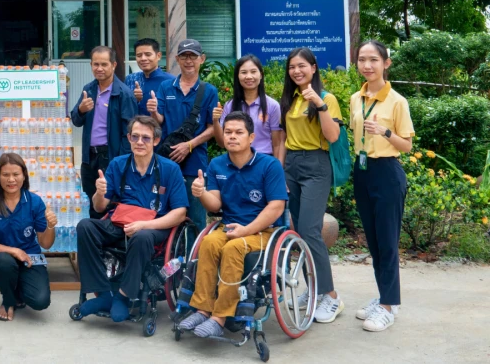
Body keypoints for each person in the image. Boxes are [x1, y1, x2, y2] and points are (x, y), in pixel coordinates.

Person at [177, 111, 288, 338]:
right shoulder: (218, 164)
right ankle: (202, 308)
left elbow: (276, 207)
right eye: (228, 132)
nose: (232, 137)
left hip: (263, 230)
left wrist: (246, 231)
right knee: (208, 242)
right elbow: (215, 205)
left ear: (251, 138)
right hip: (228, 225)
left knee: (233, 247)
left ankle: (220, 317)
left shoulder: (269, 165)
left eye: (239, 132)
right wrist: (201, 193)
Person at [76, 116, 188, 322]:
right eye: (135, 137)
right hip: (121, 220)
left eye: (146, 138)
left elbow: (180, 213)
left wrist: (145, 225)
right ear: (128, 138)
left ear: (156, 140)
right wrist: (99, 193)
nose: (139, 142)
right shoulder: (118, 164)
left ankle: (123, 296)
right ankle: (102, 294)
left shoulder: (170, 169)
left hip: (155, 225)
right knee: (85, 226)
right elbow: (99, 207)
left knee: (142, 237)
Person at [350, 40, 414, 332]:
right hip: (362, 171)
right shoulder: (355, 98)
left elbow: (408, 146)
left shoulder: (397, 101)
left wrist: (385, 131)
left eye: (373, 59)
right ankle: (384, 296)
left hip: (387, 171)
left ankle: (389, 306)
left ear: (386, 63)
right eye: (363, 59)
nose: (367, 65)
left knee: (387, 241)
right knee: (374, 241)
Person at [277, 47, 344, 323]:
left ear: (314, 68)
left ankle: (331, 296)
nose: (297, 71)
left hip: (317, 165)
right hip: (292, 164)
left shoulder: (327, 97)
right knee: (299, 231)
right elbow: (282, 137)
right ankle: (312, 289)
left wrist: (320, 104)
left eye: (302, 66)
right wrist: (280, 169)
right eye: (292, 67)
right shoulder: (290, 99)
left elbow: (333, 135)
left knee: (310, 230)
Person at [0, 153, 58, 322]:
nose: (11, 179)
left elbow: (46, 243)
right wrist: (13, 251)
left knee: (40, 301)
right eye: (5, 174)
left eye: (16, 174)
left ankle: (15, 287)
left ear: (24, 175)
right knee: (4, 262)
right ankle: (8, 300)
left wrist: (50, 226)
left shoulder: (34, 202)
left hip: (29, 259)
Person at [153, 39, 218, 226]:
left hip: (195, 163)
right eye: (184, 56)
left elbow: (212, 128)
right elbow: (160, 120)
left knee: (195, 217)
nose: (188, 60)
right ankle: (169, 255)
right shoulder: (166, 87)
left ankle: (194, 255)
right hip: (167, 160)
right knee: (164, 212)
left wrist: (189, 145)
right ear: (177, 59)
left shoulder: (209, 91)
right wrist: (152, 111)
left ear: (202, 59)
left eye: (193, 56)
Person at [70, 46, 137, 217]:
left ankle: (110, 241)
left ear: (113, 65)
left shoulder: (124, 94)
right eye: (95, 64)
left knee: (111, 203)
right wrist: (81, 109)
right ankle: (94, 240)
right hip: (89, 158)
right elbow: (76, 121)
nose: (99, 68)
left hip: (111, 156)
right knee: (91, 203)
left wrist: (121, 161)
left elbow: (130, 134)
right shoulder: (89, 89)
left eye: (104, 64)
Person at [212, 54, 283, 156]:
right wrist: (215, 121)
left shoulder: (272, 105)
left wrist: (277, 168)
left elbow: (277, 144)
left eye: (253, 72)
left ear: (261, 75)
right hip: (236, 161)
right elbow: (222, 143)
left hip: (264, 161)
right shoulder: (230, 105)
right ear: (238, 76)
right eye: (244, 72)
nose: (249, 76)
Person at [124, 38, 174, 117]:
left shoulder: (170, 81)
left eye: (148, 54)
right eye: (139, 55)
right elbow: (123, 109)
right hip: (134, 128)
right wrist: (134, 99)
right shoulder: (130, 79)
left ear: (158, 56)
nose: (143, 59)